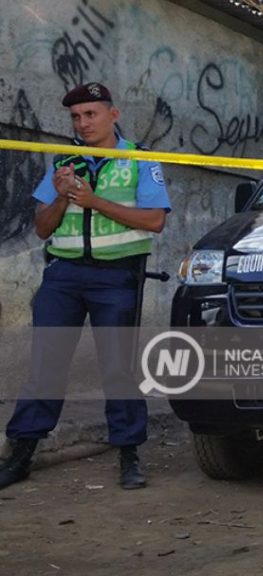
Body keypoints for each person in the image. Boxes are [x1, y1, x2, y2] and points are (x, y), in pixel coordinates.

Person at [0, 83, 171, 491]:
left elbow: (155, 221)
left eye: (90, 114)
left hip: (117, 277)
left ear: (113, 114)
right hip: (64, 277)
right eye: (76, 117)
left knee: (117, 368)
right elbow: (43, 228)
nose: (83, 123)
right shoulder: (64, 160)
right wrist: (60, 198)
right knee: (46, 365)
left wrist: (94, 201)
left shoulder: (140, 161)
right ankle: (21, 453)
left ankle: (129, 453)